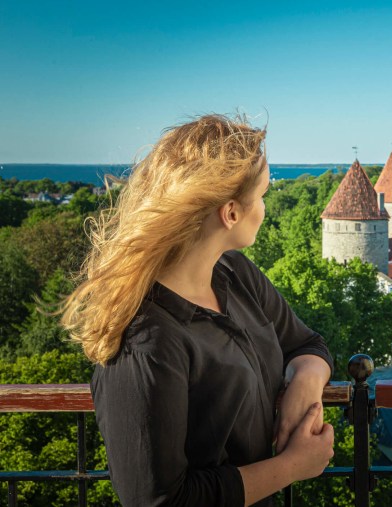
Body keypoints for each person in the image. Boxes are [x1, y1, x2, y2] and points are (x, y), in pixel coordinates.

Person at [61, 114, 334, 506]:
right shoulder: (147, 339)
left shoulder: (234, 274)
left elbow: (307, 343)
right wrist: (292, 466)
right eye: (261, 196)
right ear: (231, 213)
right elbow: (160, 501)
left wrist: (306, 381)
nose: (264, 208)